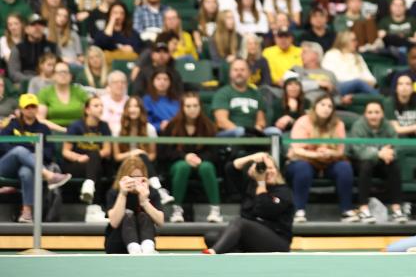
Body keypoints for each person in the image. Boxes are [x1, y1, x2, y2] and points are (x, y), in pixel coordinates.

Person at [285, 92, 357, 223]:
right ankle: (299, 210)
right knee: (303, 168)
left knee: (344, 167)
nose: (326, 108)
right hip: (303, 161)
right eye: (322, 104)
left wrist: (329, 153)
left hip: (328, 161)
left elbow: (341, 151)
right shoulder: (303, 121)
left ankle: (346, 210)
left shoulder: (338, 124)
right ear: (315, 106)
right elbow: (297, 149)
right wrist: (316, 154)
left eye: (330, 106)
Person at [0, 94, 72, 223]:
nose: (30, 109)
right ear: (21, 109)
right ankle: (49, 175)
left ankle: (27, 213)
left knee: (26, 171)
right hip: (7, 166)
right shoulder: (12, 124)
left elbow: (49, 153)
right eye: (27, 107)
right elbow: (3, 145)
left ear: (37, 109)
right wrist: (27, 150)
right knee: (19, 151)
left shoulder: (43, 128)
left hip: (31, 166)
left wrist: (27, 153)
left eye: (33, 106)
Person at [204, 152, 293, 253]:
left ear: (277, 170)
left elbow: (263, 208)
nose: (267, 172)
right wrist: (251, 158)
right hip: (250, 240)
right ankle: (240, 257)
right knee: (211, 237)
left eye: (271, 168)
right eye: (264, 169)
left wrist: (261, 183)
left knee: (239, 222)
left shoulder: (284, 191)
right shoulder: (250, 186)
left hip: (277, 241)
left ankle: (213, 252)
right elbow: (230, 168)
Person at [161, 92, 222, 223]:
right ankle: (177, 210)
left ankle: (215, 210)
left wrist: (199, 158)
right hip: (178, 163)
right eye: (188, 106)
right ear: (182, 108)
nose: (192, 109)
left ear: (200, 107)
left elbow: (214, 153)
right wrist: (185, 156)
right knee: (182, 167)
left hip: (202, 162)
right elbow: (167, 152)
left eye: (195, 105)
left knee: (207, 167)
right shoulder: (173, 126)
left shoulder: (209, 126)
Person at [348, 100, 408, 223]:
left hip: (383, 161)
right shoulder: (358, 126)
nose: (373, 115)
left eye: (377, 112)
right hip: (361, 161)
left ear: (382, 114)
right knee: (366, 165)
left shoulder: (388, 126)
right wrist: (379, 153)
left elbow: (397, 145)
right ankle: (364, 208)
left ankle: (396, 208)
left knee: (394, 166)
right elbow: (358, 150)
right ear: (365, 114)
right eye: (370, 112)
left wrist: (391, 153)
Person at [62, 96, 112, 222]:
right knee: (95, 165)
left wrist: (92, 157)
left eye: (101, 106)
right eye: (96, 106)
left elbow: (107, 150)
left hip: (96, 164)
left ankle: (89, 187)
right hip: (77, 165)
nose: (100, 108)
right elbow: (66, 151)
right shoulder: (75, 126)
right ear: (87, 110)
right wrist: (79, 157)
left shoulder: (104, 126)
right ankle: (93, 209)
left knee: (95, 159)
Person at [104, 156, 164, 254]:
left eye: (139, 177)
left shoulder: (151, 192)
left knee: (144, 216)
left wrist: (144, 201)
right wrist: (123, 194)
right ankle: (134, 248)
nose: (135, 181)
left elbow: (160, 221)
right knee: (128, 215)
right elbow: (114, 222)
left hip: (144, 243)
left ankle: (148, 247)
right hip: (118, 243)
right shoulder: (114, 193)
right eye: (131, 177)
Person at [212, 59, 267, 136]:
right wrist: (243, 133)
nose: (239, 73)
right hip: (230, 133)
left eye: (242, 70)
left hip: (252, 133)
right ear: (230, 73)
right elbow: (221, 121)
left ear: (249, 73)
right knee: (240, 131)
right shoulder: (223, 93)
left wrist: (257, 129)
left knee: (274, 132)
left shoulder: (256, 94)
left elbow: (261, 120)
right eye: (235, 70)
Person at [37, 60, 89, 127]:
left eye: (66, 72)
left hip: (78, 131)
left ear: (71, 76)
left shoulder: (79, 91)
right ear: (53, 75)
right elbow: (40, 119)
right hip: (53, 132)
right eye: (59, 72)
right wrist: (63, 130)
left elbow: (90, 113)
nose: (63, 75)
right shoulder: (45, 93)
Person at [385, 72, 416, 138]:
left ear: (412, 88)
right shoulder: (389, 102)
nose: (404, 87)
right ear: (396, 88)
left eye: (408, 84)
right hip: (396, 139)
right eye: (400, 84)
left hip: (415, 138)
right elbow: (395, 129)